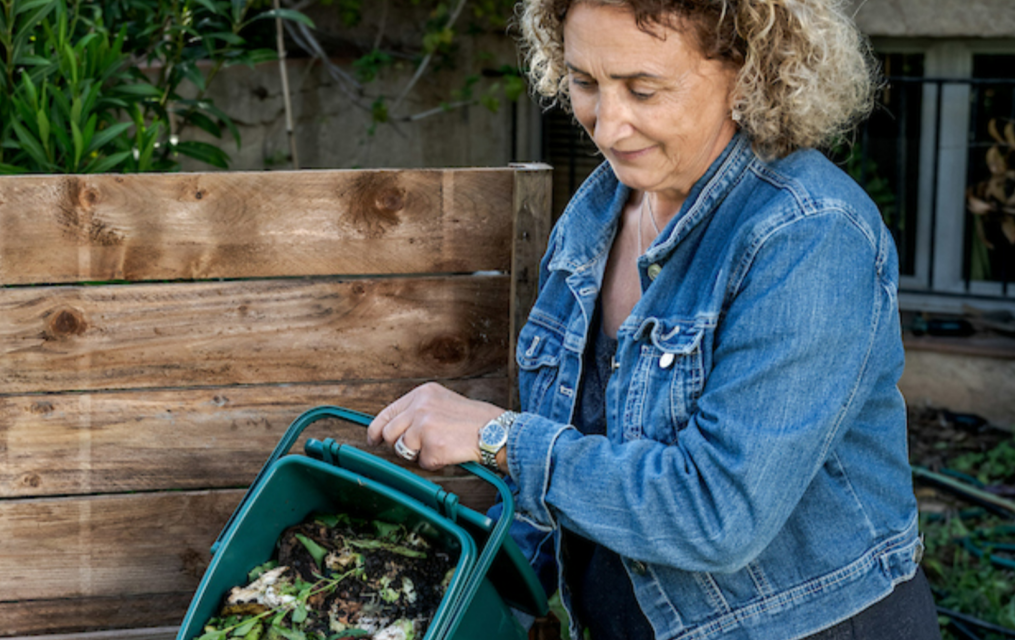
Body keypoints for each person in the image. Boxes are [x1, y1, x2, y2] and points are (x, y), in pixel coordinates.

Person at [366, 0, 941, 638]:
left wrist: (500, 440)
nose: (608, 127)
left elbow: (717, 513)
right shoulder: (600, 210)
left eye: (644, 89)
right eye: (585, 82)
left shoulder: (810, 234)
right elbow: (579, 436)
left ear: (749, 73)